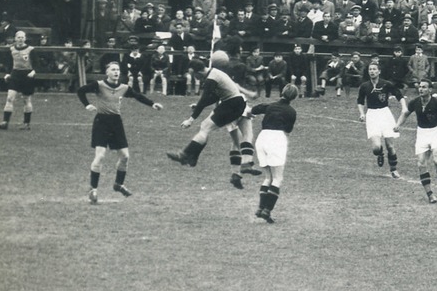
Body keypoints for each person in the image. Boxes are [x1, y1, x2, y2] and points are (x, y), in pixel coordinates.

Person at [78, 58, 166, 203]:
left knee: (125, 156)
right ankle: (93, 189)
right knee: (100, 156)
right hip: (101, 122)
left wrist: (152, 104)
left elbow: (138, 96)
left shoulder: (124, 88)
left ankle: (119, 184)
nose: (116, 72)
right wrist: (87, 105)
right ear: (107, 72)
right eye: (113, 70)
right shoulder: (99, 85)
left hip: (116, 123)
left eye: (117, 70)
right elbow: (81, 91)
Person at [167, 49, 255, 188]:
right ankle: (195, 158)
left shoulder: (211, 78)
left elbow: (204, 99)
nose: (196, 79)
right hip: (235, 103)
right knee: (230, 136)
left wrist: (191, 119)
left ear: (198, 72)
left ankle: (186, 155)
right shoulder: (214, 74)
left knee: (205, 127)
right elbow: (213, 97)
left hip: (232, 104)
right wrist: (198, 106)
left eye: (194, 75)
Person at [405, 78, 437, 203]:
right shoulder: (415, 102)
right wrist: (397, 125)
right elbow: (405, 113)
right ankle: (430, 195)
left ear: (430, 89)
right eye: (420, 87)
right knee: (421, 164)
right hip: (422, 133)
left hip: (436, 132)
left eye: (424, 87)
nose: (420, 89)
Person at [253, 84, 298, 223]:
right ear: (294, 97)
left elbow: (254, 109)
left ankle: (260, 208)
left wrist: (250, 115)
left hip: (262, 138)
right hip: (276, 139)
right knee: (277, 179)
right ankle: (267, 210)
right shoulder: (291, 112)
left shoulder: (269, 106)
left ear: (281, 92)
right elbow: (288, 131)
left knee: (268, 177)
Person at [358, 59, 408, 178]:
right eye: (370, 69)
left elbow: (399, 95)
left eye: (374, 69)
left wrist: (404, 107)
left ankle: (393, 169)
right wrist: (362, 113)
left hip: (385, 114)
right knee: (376, 147)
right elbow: (360, 101)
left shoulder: (386, 84)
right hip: (372, 115)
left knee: (390, 146)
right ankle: (380, 154)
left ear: (379, 71)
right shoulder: (365, 86)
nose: (372, 71)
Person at [0, 29, 37, 130]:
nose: (20, 39)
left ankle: (26, 124)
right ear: (15, 38)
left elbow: (37, 64)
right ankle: (5, 122)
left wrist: (33, 72)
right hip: (15, 74)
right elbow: (9, 63)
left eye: (22, 37)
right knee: (10, 98)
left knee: (26, 99)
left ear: (25, 38)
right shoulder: (11, 49)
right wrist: (7, 73)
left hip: (27, 75)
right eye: (18, 37)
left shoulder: (31, 49)